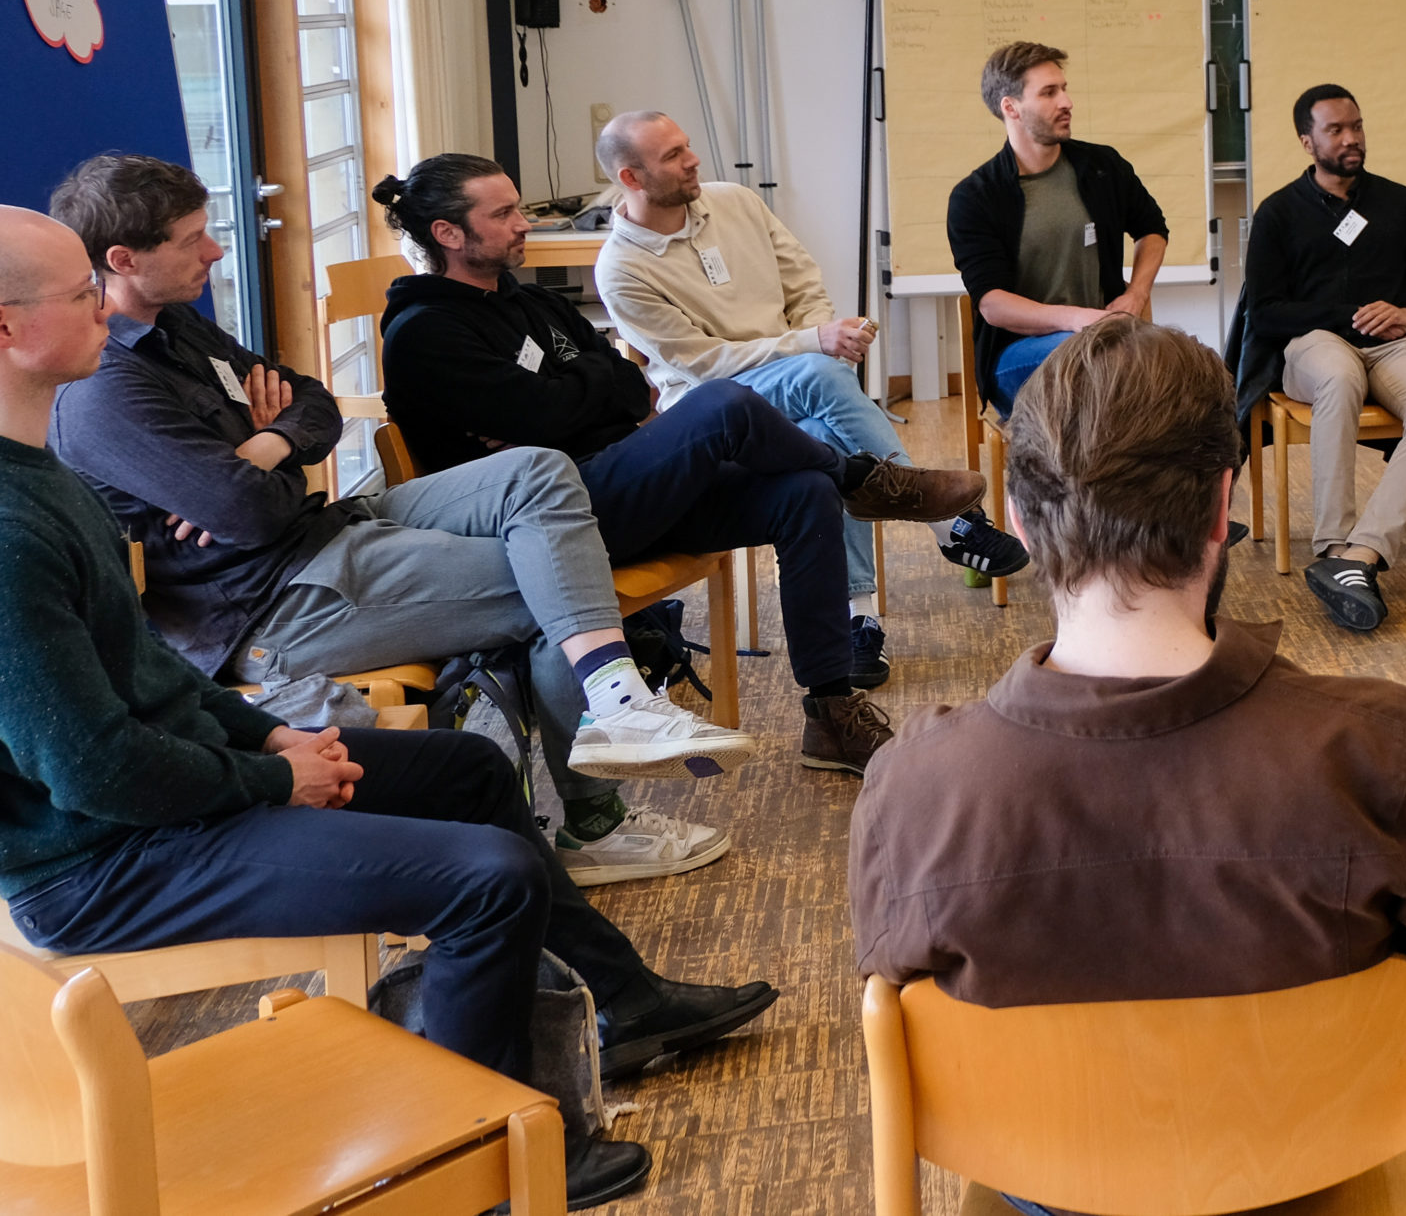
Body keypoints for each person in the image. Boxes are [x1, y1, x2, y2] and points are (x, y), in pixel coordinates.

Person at [0, 206, 785, 1209]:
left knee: (469, 772)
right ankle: (464, 1162)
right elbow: (99, 772)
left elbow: (150, 674)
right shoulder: (16, 523)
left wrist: (269, 732)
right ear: (8, 329)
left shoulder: (43, 473)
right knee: (487, 879)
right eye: (78, 295)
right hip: (106, 865)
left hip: (170, 792)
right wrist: (277, 776)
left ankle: (619, 1008)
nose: (101, 310)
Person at [852, 318, 1406, 1214]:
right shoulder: (1374, 749)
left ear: (1017, 517)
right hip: (1314, 1177)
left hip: (1048, 1190)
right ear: (1222, 506)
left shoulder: (917, 785)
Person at [45, 155, 744, 889]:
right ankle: (597, 820)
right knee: (562, 584)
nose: (216, 250)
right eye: (193, 239)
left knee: (537, 468)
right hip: (273, 604)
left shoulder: (178, 327)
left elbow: (315, 402)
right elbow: (246, 513)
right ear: (122, 259)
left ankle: (616, 699)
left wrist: (268, 442)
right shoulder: (102, 392)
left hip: (325, 531)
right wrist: (249, 477)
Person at [373, 155, 977, 775]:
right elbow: (553, 415)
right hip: (553, 528)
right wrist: (589, 385)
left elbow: (633, 389)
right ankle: (862, 477)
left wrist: (579, 391)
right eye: (503, 214)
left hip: (618, 484)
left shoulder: (530, 303)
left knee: (804, 493)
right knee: (723, 404)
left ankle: (831, 714)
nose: (524, 223)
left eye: (519, 207)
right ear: (448, 234)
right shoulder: (425, 333)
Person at [592, 111, 1031, 642]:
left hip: (800, 381)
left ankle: (858, 616)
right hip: (712, 410)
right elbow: (703, 363)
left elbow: (803, 284)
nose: (693, 161)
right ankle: (943, 520)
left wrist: (820, 348)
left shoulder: (734, 201)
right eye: (673, 156)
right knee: (817, 378)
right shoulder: (620, 269)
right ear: (631, 179)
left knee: (822, 439)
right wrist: (812, 346)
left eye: (687, 146)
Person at [1229, 85, 1406, 632]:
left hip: (1396, 342)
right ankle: (1332, 544)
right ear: (1308, 142)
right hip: (1316, 343)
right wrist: (1347, 314)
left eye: (1356, 126)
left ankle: (1362, 556)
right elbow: (1265, 313)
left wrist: (1404, 312)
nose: (1351, 138)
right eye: (1336, 130)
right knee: (1338, 375)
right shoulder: (1278, 213)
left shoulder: (1399, 201)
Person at [948, 41, 1170, 413]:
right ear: (1010, 107)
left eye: (1063, 89)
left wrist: (1136, 294)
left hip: (1105, 341)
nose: (1066, 102)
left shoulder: (1102, 166)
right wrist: (1077, 321)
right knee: (1103, 364)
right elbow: (993, 304)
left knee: (1167, 361)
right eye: (1049, 92)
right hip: (1017, 356)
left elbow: (1152, 229)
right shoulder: (976, 196)